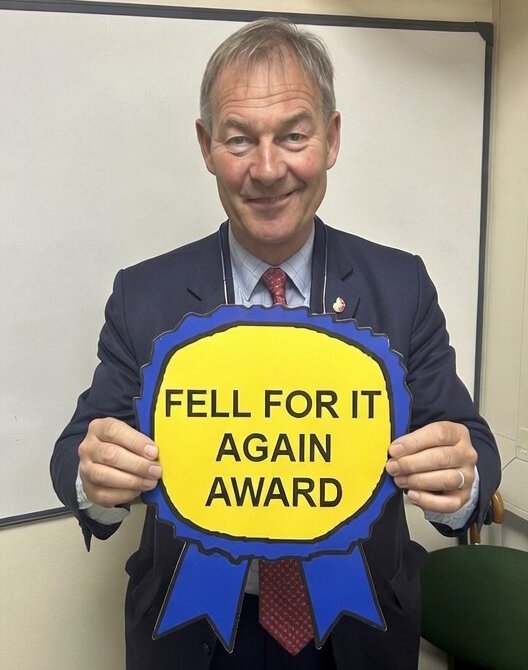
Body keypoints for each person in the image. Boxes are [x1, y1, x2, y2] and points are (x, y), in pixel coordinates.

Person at [51, 17, 500, 670]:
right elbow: (76, 449)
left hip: (356, 633)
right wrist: (94, 477)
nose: (267, 169)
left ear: (331, 138)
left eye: (293, 135)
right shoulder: (143, 295)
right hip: (194, 636)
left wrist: (461, 478)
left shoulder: (401, 287)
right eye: (240, 139)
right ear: (207, 146)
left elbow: (472, 446)